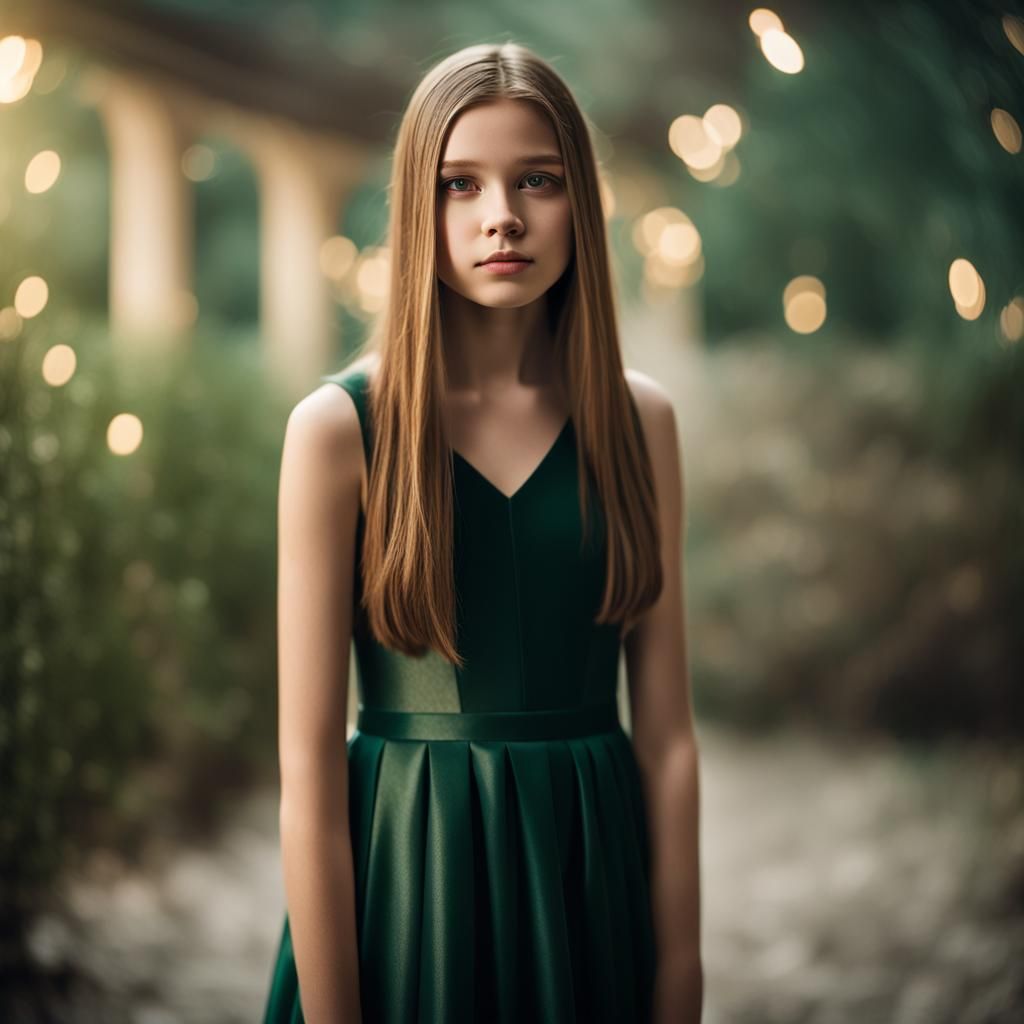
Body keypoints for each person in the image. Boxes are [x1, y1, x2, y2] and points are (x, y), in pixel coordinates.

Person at [262, 40, 702, 1024]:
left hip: (591, 883)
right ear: (419, 207)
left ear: (578, 201)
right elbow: (305, 769)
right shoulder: (337, 431)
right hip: (407, 883)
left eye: (536, 180)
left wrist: (680, 973)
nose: (501, 214)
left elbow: (668, 741)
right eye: (460, 184)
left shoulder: (641, 423)